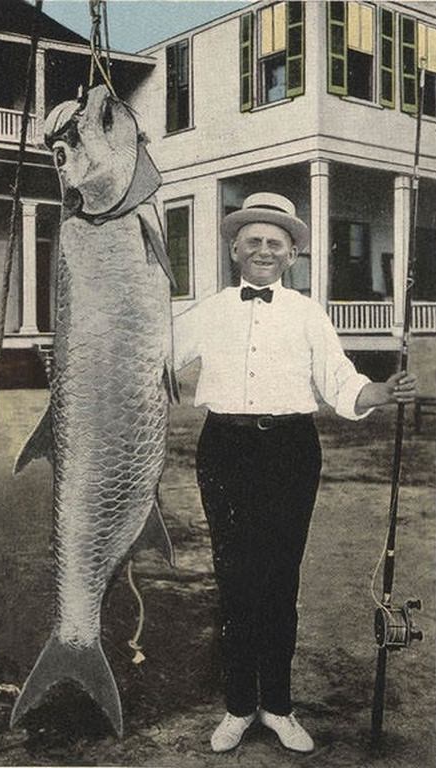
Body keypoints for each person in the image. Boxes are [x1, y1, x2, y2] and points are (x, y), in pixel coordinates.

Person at [172, 193, 417, 754]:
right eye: (253, 240)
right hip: (224, 449)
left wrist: (381, 391)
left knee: (281, 580)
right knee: (234, 579)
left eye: (275, 243)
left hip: (290, 451)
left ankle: (278, 706)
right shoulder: (208, 311)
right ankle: (238, 707)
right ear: (235, 249)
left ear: (292, 255)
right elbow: (156, 354)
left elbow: (339, 379)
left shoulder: (308, 313)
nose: (263, 250)